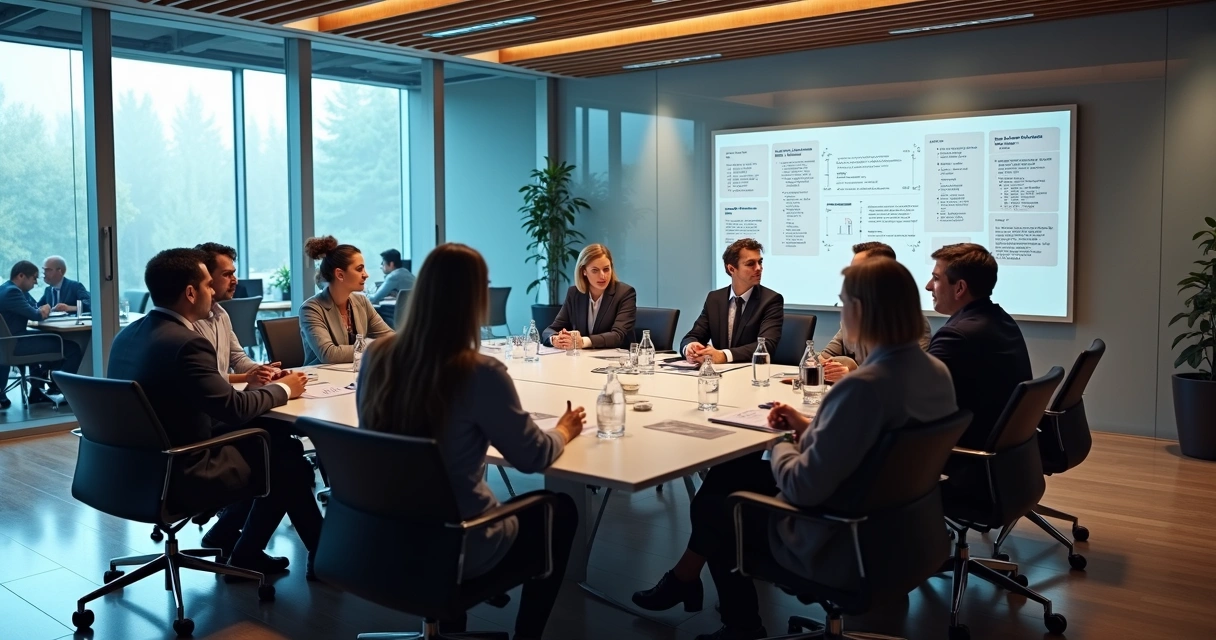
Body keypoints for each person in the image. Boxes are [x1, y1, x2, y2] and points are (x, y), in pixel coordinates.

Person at [640, 258, 957, 640]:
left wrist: (783, 440)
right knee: (729, 474)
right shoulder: (935, 373)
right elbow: (866, 443)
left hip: (840, 534)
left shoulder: (862, 387)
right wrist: (807, 426)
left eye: (844, 303)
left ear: (862, 310)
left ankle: (740, 624)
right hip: (901, 525)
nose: (841, 310)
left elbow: (799, 487)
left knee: (717, 507)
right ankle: (685, 579)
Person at [357, 243, 584, 640]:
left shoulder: (377, 357)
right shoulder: (479, 372)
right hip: (456, 541)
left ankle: (447, 622)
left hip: (382, 534)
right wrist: (564, 429)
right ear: (474, 298)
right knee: (559, 509)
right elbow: (532, 457)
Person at [107, 248, 323, 579]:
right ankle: (287, 555)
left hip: (129, 468)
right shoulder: (186, 343)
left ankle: (233, 539)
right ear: (190, 292)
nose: (213, 291)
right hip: (181, 469)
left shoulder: (128, 335)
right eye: (209, 284)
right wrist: (285, 389)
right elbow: (234, 409)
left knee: (278, 442)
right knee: (285, 459)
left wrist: (259, 389)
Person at [925, 243, 1032, 450]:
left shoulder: (956, 337)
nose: (929, 286)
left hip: (965, 456)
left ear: (960, 288)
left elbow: (910, 398)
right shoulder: (1001, 320)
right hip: (1008, 459)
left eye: (936, 278)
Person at [818, 242, 932, 382]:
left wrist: (851, 373)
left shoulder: (910, 323)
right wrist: (831, 367)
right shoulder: (854, 317)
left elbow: (907, 377)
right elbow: (822, 358)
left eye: (858, 272)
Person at [680, 238, 784, 364]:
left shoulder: (771, 300)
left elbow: (767, 345)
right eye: (751, 264)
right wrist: (691, 347)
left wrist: (723, 355)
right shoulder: (715, 298)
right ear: (731, 269)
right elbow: (694, 335)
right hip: (719, 373)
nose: (759, 268)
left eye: (760, 262)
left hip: (750, 373)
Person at [193, 243, 281, 385]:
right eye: (227, 275)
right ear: (206, 277)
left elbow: (238, 358)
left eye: (233, 273)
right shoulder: (190, 322)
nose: (235, 280)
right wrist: (248, 377)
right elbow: (208, 379)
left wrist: (263, 370)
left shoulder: (221, 314)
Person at [300, 236, 394, 365]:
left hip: (354, 375)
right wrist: (374, 345)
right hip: (319, 379)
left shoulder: (362, 301)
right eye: (359, 269)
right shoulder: (311, 309)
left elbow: (390, 339)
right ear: (340, 274)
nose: (366, 274)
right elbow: (329, 354)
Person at [0, 260, 84, 405]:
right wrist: (43, 310)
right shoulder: (12, 292)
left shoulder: (7, 289)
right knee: (72, 349)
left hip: (9, 343)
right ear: (21, 276)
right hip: (16, 344)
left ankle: (37, 391)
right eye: (34, 278)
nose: (35, 283)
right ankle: (65, 392)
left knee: (49, 343)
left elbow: (35, 306)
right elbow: (37, 314)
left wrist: (42, 309)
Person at [542, 243, 637, 350]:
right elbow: (550, 330)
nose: (602, 276)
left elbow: (618, 336)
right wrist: (555, 339)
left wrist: (582, 342)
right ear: (584, 271)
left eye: (606, 269)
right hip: (584, 359)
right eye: (595, 270)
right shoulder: (574, 293)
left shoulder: (625, 293)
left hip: (617, 360)